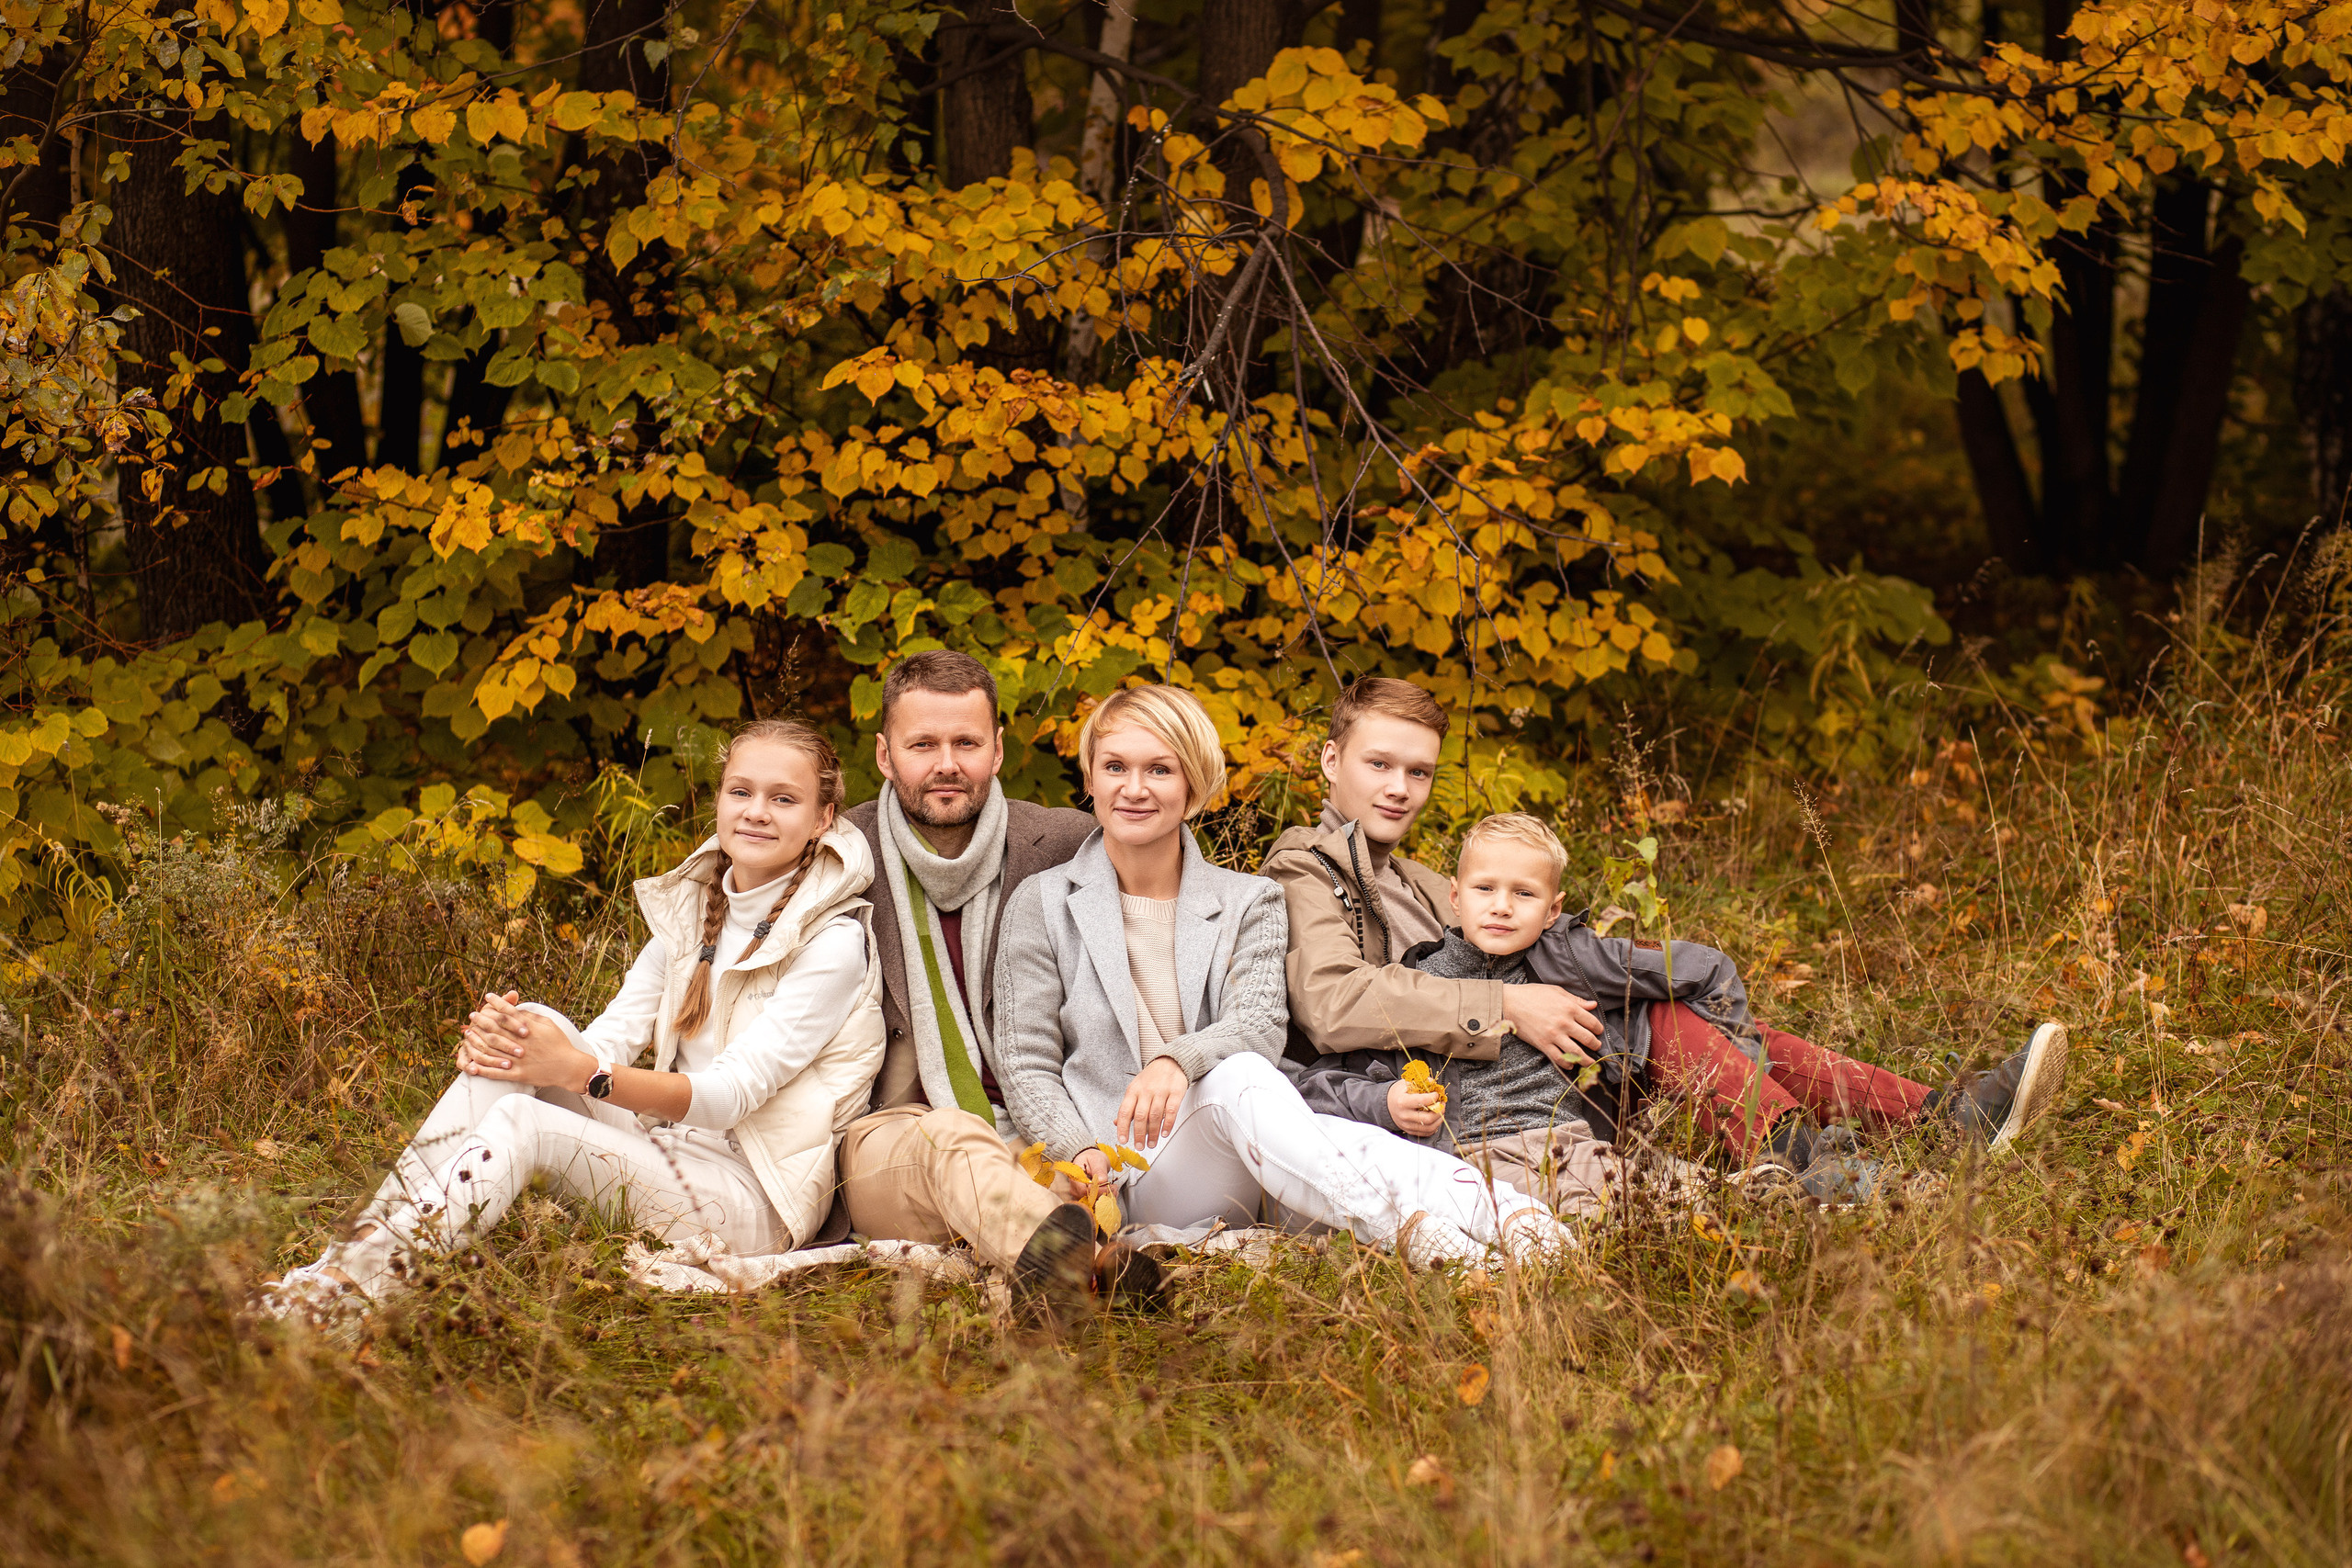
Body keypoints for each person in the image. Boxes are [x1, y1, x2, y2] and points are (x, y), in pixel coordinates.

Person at [1271, 680, 2074, 1197]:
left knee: (1675, 1020)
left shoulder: (1413, 874)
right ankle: (1819, 1158)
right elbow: (1334, 1005)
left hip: (1518, 1076)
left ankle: (1940, 1119)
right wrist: (1511, 1005)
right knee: (1656, 1022)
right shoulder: (1305, 867)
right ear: (1331, 761)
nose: (1399, 787)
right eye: (1380, 764)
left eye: (1419, 772)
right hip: (1434, 1108)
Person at [258, 720, 885, 1321]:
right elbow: (611, 1036)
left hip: (752, 1197)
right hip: (666, 1150)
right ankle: (333, 1273)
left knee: (528, 1120)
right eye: (741, 791)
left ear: (823, 817)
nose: (756, 811)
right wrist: (512, 1043)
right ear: (719, 798)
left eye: (784, 798)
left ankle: (350, 1297)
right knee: (529, 1022)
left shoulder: (832, 942)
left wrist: (581, 1072)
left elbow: (725, 1098)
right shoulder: (699, 908)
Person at [991, 683, 1577, 1268]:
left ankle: (1518, 1227)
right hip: (1132, 1174)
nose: (1135, 788)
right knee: (1241, 1078)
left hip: (1251, 1151)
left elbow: (1260, 1024)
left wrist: (1176, 1060)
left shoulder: (1249, 900)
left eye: (1160, 769)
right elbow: (1026, 1061)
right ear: (1089, 778)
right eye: (1115, 766)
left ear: (1192, 783)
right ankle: (1422, 1230)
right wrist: (1079, 1150)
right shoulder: (1041, 904)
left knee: (1305, 1117)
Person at [834, 650, 1165, 1313]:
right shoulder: (842, 849)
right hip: (889, 1141)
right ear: (883, 754)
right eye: (922, 744)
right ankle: (1083, 1268)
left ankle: (1068, 1267)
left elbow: (1178, 915)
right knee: (948, 1136)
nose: (947, 763)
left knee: (1063, 1185)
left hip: (1036, 1133)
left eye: (966, 742)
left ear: (998, 749)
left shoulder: (1069, 845)